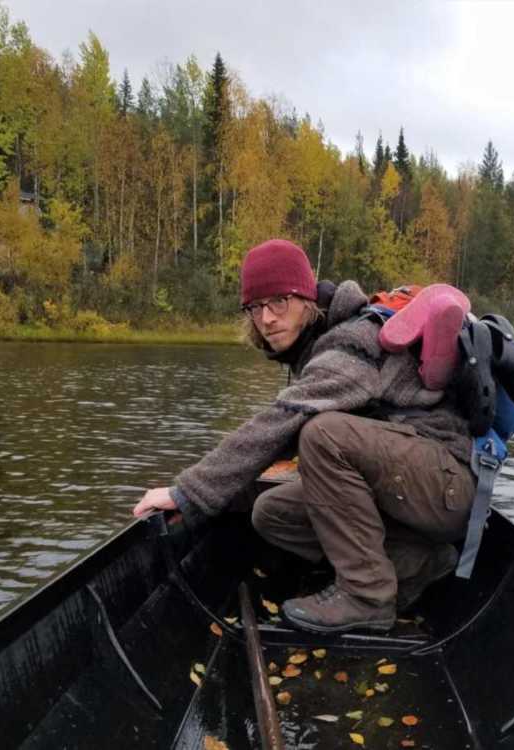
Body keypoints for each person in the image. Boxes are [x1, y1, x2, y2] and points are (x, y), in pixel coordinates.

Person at [133, 238, 476, 634]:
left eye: (279, 301)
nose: (266, 318)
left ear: (306, 298)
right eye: (255, 307)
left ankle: (367, 597)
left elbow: (282, 420)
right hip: (414, 494)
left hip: (447, 488)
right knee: (271, 513)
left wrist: (187, 494)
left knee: (322, 434)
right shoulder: (318, 347)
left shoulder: (351, 343)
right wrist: (221, 499)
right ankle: (417, 561)